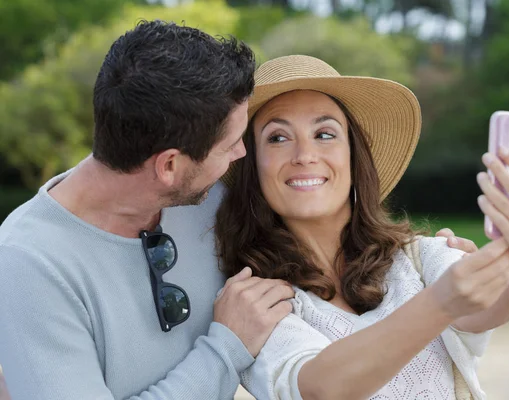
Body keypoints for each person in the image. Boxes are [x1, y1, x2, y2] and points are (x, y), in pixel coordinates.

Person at [0, 22, 475, 400]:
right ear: (169, 165)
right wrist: (224, 349)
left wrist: (431, 260)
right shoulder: (29, 264)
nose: (242, 160)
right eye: (231, 146)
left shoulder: (205, 197)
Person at [215, 55, 509, 400]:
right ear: (252, 167)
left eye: (324, 134)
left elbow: (480, 310)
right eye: (277, 138)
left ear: (353, 155)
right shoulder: (252, 303)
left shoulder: (418, 257)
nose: (304, 155)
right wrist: (439, 303)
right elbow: (320, 388)